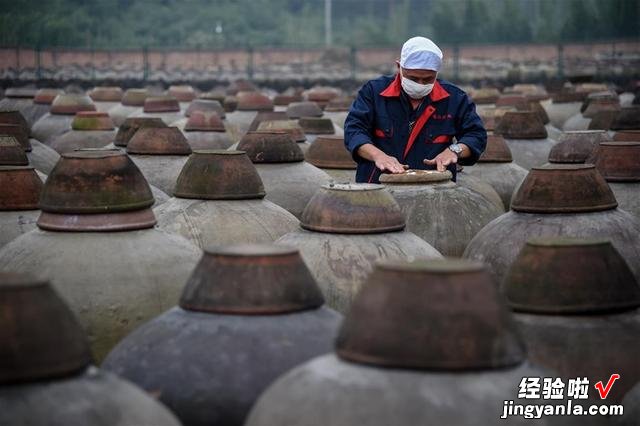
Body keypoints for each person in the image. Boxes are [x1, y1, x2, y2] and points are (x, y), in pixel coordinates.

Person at [344, 36, 486, 183]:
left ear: (437, 73)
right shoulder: (374, 92)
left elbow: (476, 135)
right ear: (399, 67)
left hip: (433, 191)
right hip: (378, 188)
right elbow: (354, 131)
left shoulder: (455, 99)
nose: (420, 84)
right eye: (413, 78)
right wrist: (378, 156)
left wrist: (454, 150)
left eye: (428, 79)